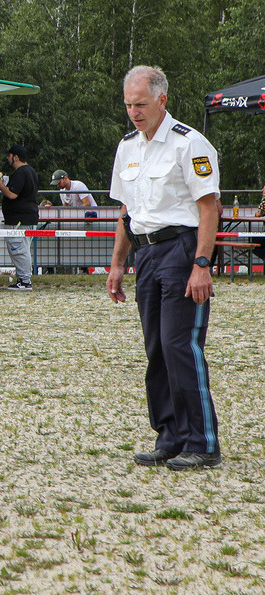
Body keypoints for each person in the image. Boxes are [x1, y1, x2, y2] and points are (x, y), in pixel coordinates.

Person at [107, 65, 221, 471]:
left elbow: (210, 207)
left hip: (182, 248)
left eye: (140, 104)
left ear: (161, 100)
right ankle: (170, 437)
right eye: (128, 105)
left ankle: (203, 442)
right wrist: (118, 262)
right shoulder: (128, 147)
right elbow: (126, 210)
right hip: (146, 253)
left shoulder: (188, 144)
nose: (133, 112)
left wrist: (202, 264)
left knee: (180, 344)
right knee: (156, 347)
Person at [0, 144, 39, 290]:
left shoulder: (21, 173)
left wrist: (0, 184)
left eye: (9, 156)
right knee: (22, 248)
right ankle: (22, 279)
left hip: (20, 219)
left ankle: (25, 281)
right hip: (28, 217)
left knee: (18, 249)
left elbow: (12, 194)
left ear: (16, 157)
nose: (7, 158)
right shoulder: (30, 171)